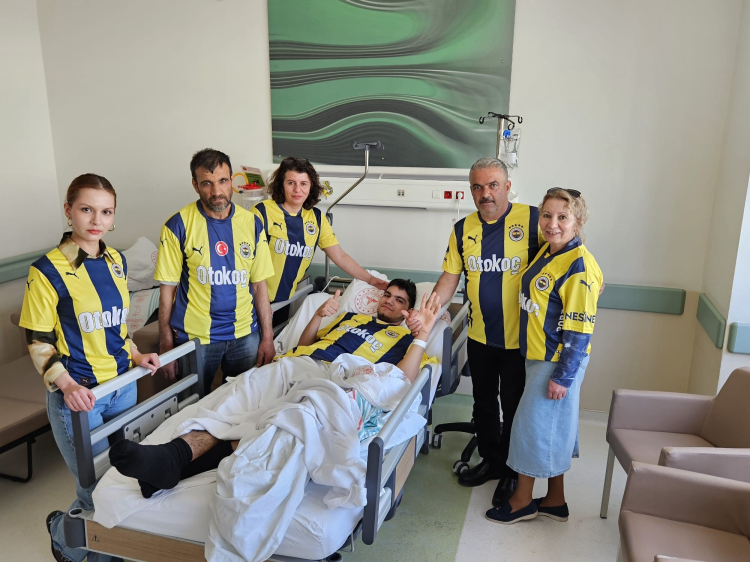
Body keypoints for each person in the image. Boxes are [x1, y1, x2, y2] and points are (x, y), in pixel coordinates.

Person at [109, 279, 440, 498]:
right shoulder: (350, 318)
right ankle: (172, 458)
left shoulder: (408, 339)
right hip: (298, 364)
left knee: (273, 421)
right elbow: (305, 345)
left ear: (408, 310)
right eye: (387, 295)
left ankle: (175, 460)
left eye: (399, 300)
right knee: (242, 396)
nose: (389, 301)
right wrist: (318, 315)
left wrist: (422, 335)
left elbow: (402, 379)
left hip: (335, 382)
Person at [19, 174, 160, 562]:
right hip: (81, 397)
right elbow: (38, 340)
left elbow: (117, 327)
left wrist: (136, 355)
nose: (97, 220)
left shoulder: (116, 261)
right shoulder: (46, 270)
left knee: (123, 479)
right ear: (68, 211)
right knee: (96, 490)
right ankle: (65, 539)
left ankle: (91, 544)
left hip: (122, 386)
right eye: (86, 209)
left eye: (106, 211)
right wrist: (66, 385)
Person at [408, 157, 543, 506]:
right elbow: (450, 278)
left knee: (514, 407)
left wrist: (589, 277)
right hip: (480, 336)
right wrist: (428, 311)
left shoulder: (534, 220)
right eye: (478, 187)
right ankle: (491, 461)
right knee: (483, 403)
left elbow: (565, 250)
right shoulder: (462, 229)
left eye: (493, 185)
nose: (486, 194)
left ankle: (513, 471)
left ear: (508, 186)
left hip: (520, 340)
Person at [485, 188, 602, 524]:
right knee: (554, 429)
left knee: (532, 429)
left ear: (578, 222)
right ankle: (555, 500)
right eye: (547, 215)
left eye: (563, 217)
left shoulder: (578, 265)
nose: (552, 224)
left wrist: (562, 377)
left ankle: (521, 501)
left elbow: (580, 331)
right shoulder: (551, 252)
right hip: (539, 358)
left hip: (556, 362)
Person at [156, 148, 275, 395]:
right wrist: (166, 343)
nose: (216, 191)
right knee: (190, 405)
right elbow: (167, 290)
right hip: (195, 338)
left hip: (245, 335)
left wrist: (267, 337)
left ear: (232, 181)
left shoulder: (252, 223)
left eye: (222, 181)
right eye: (207, 183)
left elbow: (259, 286)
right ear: (195, 185)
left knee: (241, 404)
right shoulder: (177, 225)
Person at [252, 156, 388, 323]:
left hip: (283, 299)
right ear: (281, 184)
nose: (297, 189)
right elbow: (246, 261)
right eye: (291, 183)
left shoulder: (316, 219)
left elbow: (340, 256)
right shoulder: (262, 212)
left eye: (304, 183)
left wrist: (370, 279)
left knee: (273, 337)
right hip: (254, 297)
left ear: (311, 187)